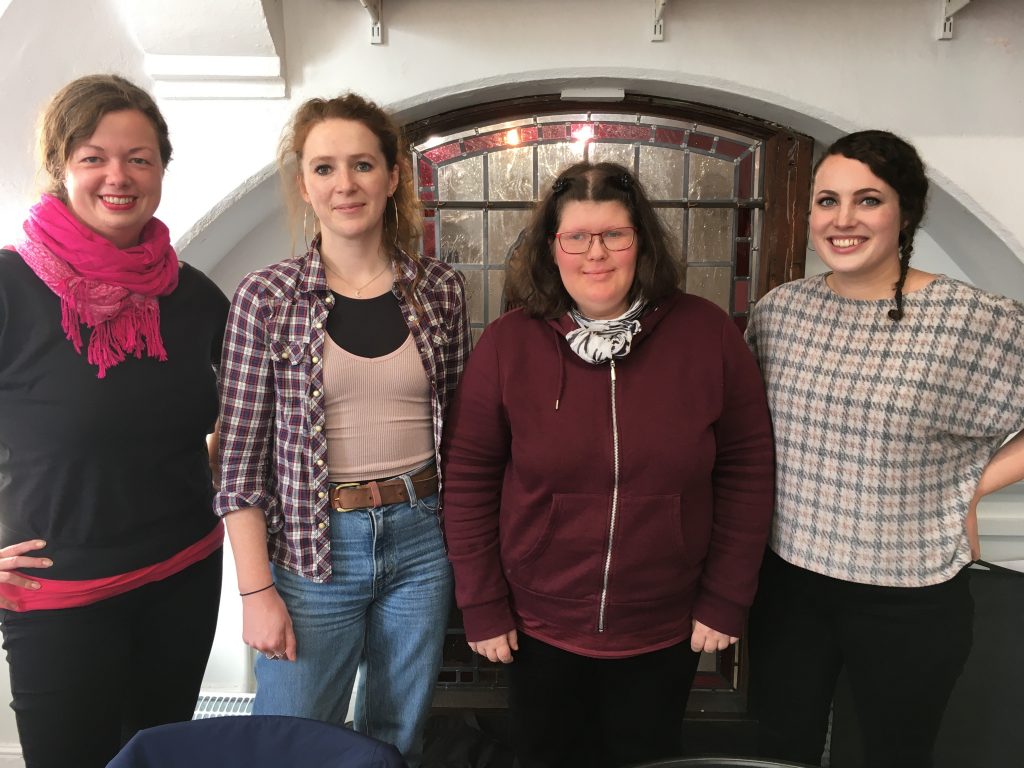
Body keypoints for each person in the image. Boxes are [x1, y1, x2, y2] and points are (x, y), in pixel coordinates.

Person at [441, 160, 775, 768]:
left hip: (666, 624)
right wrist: (481, 605)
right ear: (553, 247)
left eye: (614, 235)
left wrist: (726, 597)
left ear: (639, 241)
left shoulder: (708, 335)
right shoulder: (509, 343)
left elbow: (748, 473)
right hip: (535, 625)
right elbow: (467, 480)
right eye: (577, 237)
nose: (596, 254)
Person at [745, 130, 1024, 768]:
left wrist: (971, 487)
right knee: (780, 748)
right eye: (826, 201)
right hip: (788, 580)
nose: (842, 220)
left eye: (867, 201)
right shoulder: (779, 313)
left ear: (906, 213)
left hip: (910, 590)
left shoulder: (971, 319)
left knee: (895, 754)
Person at [215, 92, 470, 766]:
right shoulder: (265, 297)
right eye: (323, 168)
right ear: (304, 184)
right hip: (310, 552)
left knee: (396, 737)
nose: (344, 184)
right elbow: (238, 463)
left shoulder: (439, 290)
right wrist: (256, 590)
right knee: (292, 740)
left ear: (392, 177)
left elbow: (462, 430)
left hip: (422, 539)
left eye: (362, 164)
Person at [0, 74, 228, 768]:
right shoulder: (11, 287)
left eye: (139, 158)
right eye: (93, 156)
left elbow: (236, 422)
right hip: (60, 594)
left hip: (184, 574)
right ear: (59, 167)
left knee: (158, 758)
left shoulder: (193, 296)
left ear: (161, 167)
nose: (118, 176)